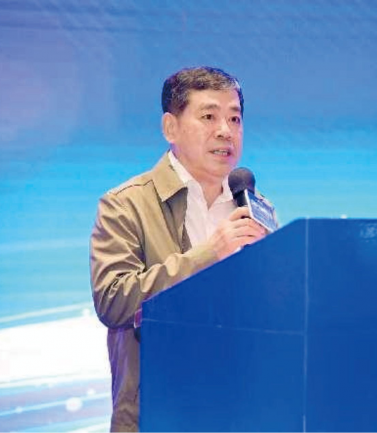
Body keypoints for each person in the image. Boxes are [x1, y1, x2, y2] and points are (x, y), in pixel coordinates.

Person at [90, 66, 269, 432]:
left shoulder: (255, 210)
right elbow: (113, 301)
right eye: (209, 117)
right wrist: (208, 254)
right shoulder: (126, 204)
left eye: (235, 118)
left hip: (240, 413)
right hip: (159, 416)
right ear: (170, 127)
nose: (225, 130)